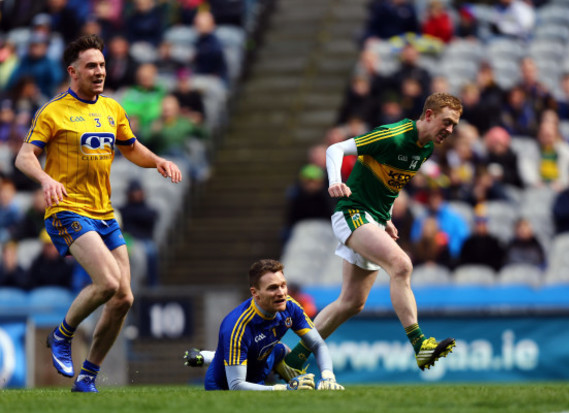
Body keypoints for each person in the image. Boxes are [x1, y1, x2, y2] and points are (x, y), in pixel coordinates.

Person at [14, 34, 182, 393]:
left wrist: (159, 162)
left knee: (124, 296)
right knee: (107, 282)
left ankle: (87, 376)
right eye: (91, 65)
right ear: (73, 71)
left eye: (103, 65)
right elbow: (24, 156)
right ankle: (62, 335)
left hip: (104, 212)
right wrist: (45, 180)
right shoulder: (53, 111)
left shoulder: (112, 109)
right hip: (67, 208)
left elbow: (132, 148)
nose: (99, 71)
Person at [281, 93, 462, 373]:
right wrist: (335, 182)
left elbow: (389, 185)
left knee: (351, 303)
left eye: (454, 126)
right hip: (352, 212)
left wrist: (386, 217)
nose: (450, 130)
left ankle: (291, 361)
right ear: (428, 115)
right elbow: (334, 149)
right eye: (447, 122)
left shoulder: (424, 149)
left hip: (373, 218)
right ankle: (420, 346)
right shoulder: (393, 135)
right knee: (401, 265)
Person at [183, 259, 343, 391]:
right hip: (223, 387)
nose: (281, 293)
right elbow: (236, 386)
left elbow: (317, 343)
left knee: (280, 349)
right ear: (255, 293)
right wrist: (284, 389)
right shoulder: (237, 326)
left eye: (283, 285)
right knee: (267, 349)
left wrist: (328, 376)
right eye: (273, 288)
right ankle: (207, 357)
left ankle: (283, 365)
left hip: (261, 366)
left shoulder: (289, 306)